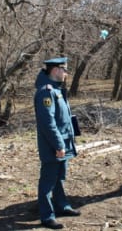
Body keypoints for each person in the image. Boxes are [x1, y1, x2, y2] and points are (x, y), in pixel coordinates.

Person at [34, 57, 80, 230]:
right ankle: (47, 216)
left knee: (60, 177)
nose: (66, 73)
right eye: (64, 69)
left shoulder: (56, 89)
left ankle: (62, 206)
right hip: (53, 146)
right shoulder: (46, 92)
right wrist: (59, 145)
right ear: (55, 70)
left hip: (63, 143)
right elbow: (48, 123)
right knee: (47, 181)